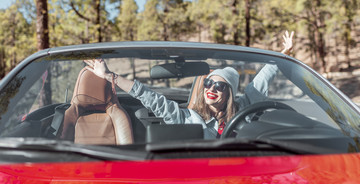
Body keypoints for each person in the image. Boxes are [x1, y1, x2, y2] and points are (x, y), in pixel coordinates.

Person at [84, 31, 294, 139]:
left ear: (229, 92)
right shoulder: (188, 117)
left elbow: (260, 82)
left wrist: (282, 56)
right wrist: (110, 75)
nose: (211, 89)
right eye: (208, 83)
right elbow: (149, 97)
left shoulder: (244, 110)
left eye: (219, 86)